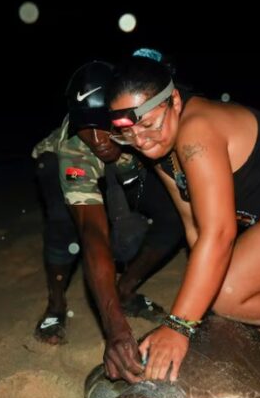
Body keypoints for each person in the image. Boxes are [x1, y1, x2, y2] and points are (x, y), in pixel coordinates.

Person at [107, 57, 260, 382]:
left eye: (149, 125)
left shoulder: (196, 132)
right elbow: (195, 226)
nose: (140, 141)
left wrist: (180, 324)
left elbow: (220, 234)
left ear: (174, 100)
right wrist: (197, 309)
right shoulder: (160, 143)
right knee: (255, 305)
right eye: (127, 134)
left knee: (228, 295)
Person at [31, 61, 184, 378]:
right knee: (66, 226)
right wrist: (115, 328)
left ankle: (126, 288)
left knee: (173, 215)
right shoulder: (78, 145)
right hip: (62, 163)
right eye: (86, 128)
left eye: (104, 126)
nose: (98, 138)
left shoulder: (141, 123)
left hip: (128, 155)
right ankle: (56, 305)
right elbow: (92, 233)